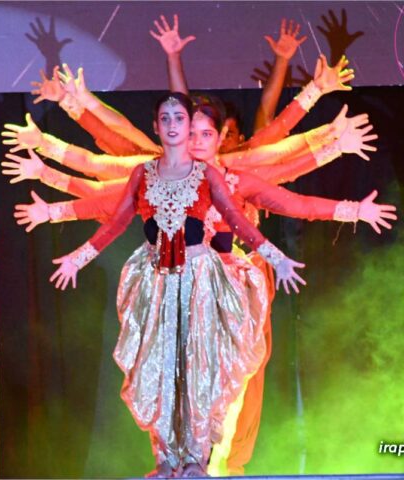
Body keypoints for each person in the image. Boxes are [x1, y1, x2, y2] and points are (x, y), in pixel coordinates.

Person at [47, 92, 307, 478]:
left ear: (189, 127)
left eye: (179, 118)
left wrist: (277, 257)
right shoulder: (143, 174)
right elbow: (116, 221)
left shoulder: (207, 175)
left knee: (199, 368)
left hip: (200, 280)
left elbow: (238, 221)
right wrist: (77, 257)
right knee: (161, 367)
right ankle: (166, 459)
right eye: (165, 118)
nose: (173, 125)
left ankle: (196, 460)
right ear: (156, 126)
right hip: (157, 282)